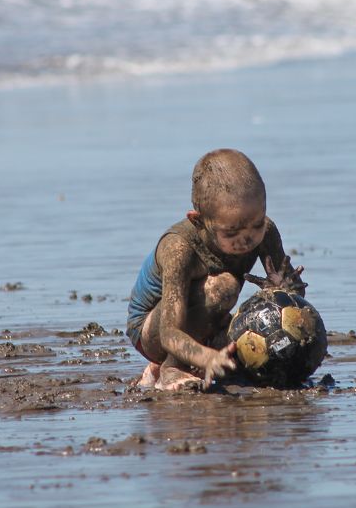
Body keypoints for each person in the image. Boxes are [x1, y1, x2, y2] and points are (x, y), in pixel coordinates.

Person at [126, 149, 306, 391]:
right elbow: (169, 332)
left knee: (250, 351)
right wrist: (207, 358)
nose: (247, 239)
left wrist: (285, 289)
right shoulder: (179, 247)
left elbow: (295, 298)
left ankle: (163, 369)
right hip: (151, 331)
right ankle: (171, 367)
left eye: (257, 224)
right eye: (231, 232)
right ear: (198, 221)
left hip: (209, 323)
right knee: (224, 287)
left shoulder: (266, 232)